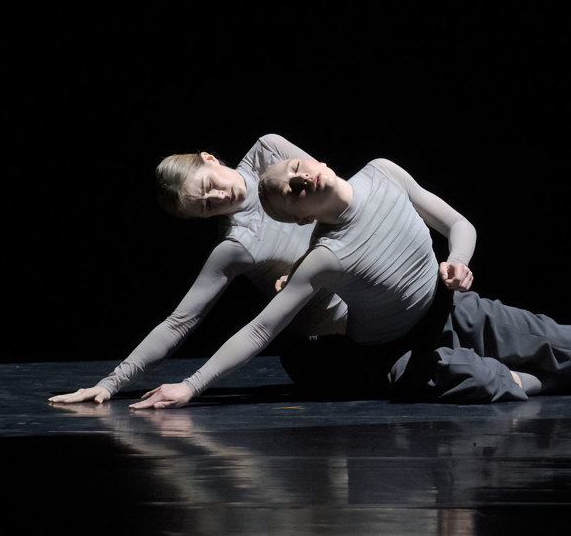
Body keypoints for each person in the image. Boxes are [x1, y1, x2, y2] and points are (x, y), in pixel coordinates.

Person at [130, 155, 571, 409]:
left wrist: (458, 260)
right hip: (396, 346)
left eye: (295, 171)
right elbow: (258, 329)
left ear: (311, 158)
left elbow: (458, 223)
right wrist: (188, 385)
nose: (299, 180)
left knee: (560, 336)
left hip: (450, 304)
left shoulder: (382, 174)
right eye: (291, 194)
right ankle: (553, 379)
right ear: (298, 216)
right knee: (494, 385)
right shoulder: (318, 258)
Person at [48, 135, 347, 405]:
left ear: (210, 158)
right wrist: (110, 384)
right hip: (329, 345)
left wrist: (304, 261)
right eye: (206, 207)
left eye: (208, 185)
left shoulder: (269, 151)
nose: (218, 197)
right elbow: (179, 322)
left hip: (379, 294)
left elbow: (338, 194)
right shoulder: (236, 245)